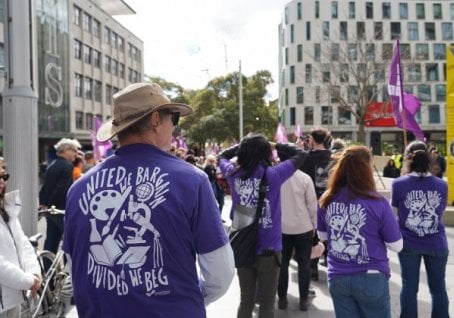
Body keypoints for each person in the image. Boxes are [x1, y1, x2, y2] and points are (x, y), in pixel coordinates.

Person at [63, 82, 234, 318]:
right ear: (155, 119)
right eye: (174, 118)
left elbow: (76, 269)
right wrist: (185, 300)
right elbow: (221, 275)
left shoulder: (78, 188)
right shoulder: (193, 181)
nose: (174, 129)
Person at [218, 134, 306, 318]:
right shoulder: (273, 174)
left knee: (246, 301)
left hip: (242, 244)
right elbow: (300, 153)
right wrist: (275, 144)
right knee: (267, 304)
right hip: (269, 246)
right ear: (266, 152)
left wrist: (241, 146)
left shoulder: (233, 173)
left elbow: (221, 156)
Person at [317, 145, 402, 318]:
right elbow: (396, 246)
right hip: (372, 276)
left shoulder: (327, 198)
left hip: (338, 277)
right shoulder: (378, 202)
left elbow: (322, 236)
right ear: (367, 167)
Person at [391, 141, 449, 318]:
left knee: (409, 287)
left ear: (408, 159)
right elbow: (440, 213)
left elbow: (393, 216)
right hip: (436, 242)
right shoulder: (442, 184)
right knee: (438, 288)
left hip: (408, 243)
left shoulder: (398, 183)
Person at [276, 150, 317, 311]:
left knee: (282, 264)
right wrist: (314, 225)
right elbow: (312, 205)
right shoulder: (304, 178)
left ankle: (282, 298)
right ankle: (303, 300)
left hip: (281, 228)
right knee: (304, 265)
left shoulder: (274, 176)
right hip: (303, 227)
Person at [0, 166, 41, 318]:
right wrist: (28, 281)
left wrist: (34, 274)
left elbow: (23, 245)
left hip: (12, 298)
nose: (1, 182)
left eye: (4, 176)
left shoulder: (8, 209)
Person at [39, 138, 81, 259]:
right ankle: (68, 274)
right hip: (62, 210)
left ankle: (48, 274)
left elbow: (45, 187)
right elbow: (62, 190)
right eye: (74, 150)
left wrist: (45, 203)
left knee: (50, 243)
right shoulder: (67, 166)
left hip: (51, 210)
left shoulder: (52, 165)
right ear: (65, 150)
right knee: (69, 243)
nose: (76, 154)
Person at [300, 128, 333, 281]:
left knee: (313, 234)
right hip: (331, 199)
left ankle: (313, 266)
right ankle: (330, 261)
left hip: (311, 200)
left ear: (312, 139)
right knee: (331, 231)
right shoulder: (334, 157)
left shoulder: (305, 158)